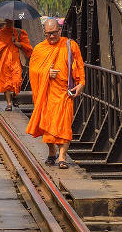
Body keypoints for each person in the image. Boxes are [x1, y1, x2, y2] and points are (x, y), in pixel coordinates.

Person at [26, 18, 85, 168]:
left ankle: (62, 157)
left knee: (64, 124)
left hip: (65, 93)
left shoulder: (70, 46)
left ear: (59, 30)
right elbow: (32, 70)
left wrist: (81, 83)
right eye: (47, 34)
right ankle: (52, 153)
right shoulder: (39, 49)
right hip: (46, 94)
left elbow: (79, 65)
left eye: (53, 33)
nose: (51, 37)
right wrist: (46, 72)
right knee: (47, 125)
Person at [0, 18, 32, 111]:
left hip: (16, 61)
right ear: (5, 22)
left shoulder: (19, 32)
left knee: (17, 81)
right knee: (6, 83)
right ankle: (9, 104)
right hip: (4, 62)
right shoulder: (0, 33)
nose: (9, 23)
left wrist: (16, 43)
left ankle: (15, 96)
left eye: (10, 22)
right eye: (7, 22)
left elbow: (27, 46)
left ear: (13, 22)